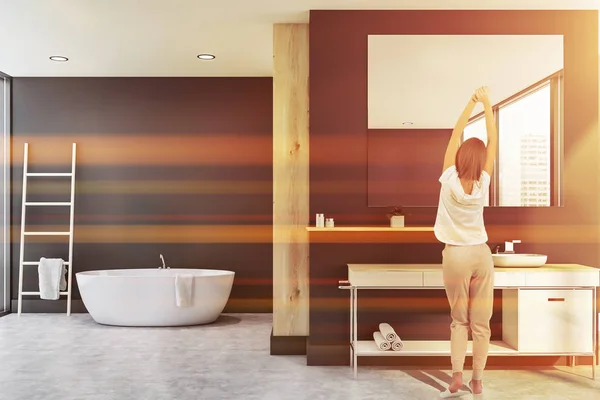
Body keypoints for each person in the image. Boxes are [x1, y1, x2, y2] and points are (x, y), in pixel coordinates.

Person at [434, 86, 497, 398]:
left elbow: (455, 133)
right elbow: (492, 138)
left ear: (459, 157)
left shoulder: (448, 178)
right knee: (481, 323)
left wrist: (470, 102)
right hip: (481, 256)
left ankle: (456, 377)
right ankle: (477, 381)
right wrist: (486, 103)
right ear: (482, 160)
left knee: (459, 321)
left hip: (455, 256)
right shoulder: (483, 183)